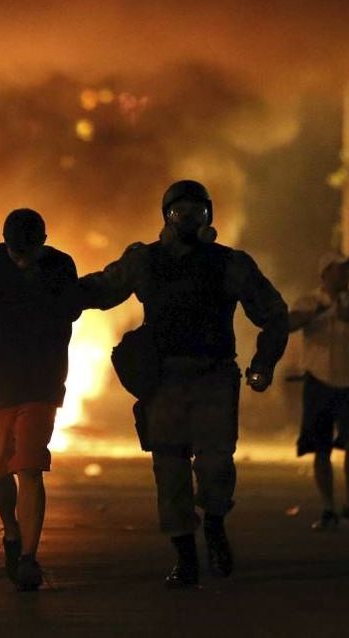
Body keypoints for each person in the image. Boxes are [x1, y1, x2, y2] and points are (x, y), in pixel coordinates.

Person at [79, 180, 288, 588]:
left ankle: (213, 522)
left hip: (213, 376)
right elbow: (100, 291)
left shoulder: (231, 264)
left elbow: (273, 313)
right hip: (164, 380)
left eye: (198, 212)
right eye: (180, 212)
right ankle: (185, 558)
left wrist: (264, 362)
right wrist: (47, 286)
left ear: (210, 216)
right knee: (170, 472)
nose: (189, 219)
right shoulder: (145, 261)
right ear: (166, 217)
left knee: (215, 465)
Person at [0, 208, 80, 592]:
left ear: (42, 241)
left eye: (28, 251)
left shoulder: (60, 266)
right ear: (5, 242)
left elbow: (72, 308)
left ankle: (28, 556)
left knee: (29, 467)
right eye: (15, 251)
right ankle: (11, 531)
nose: (21, 257)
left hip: (40, 384)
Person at [288, 253, 349, 532]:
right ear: (325, 274)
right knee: (321, 448)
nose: (347, 276)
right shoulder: (310, 301)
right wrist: (316, 314)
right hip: (318, 382)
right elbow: (288, 324)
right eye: (341, 270)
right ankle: (328, 507)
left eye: (348, 271)